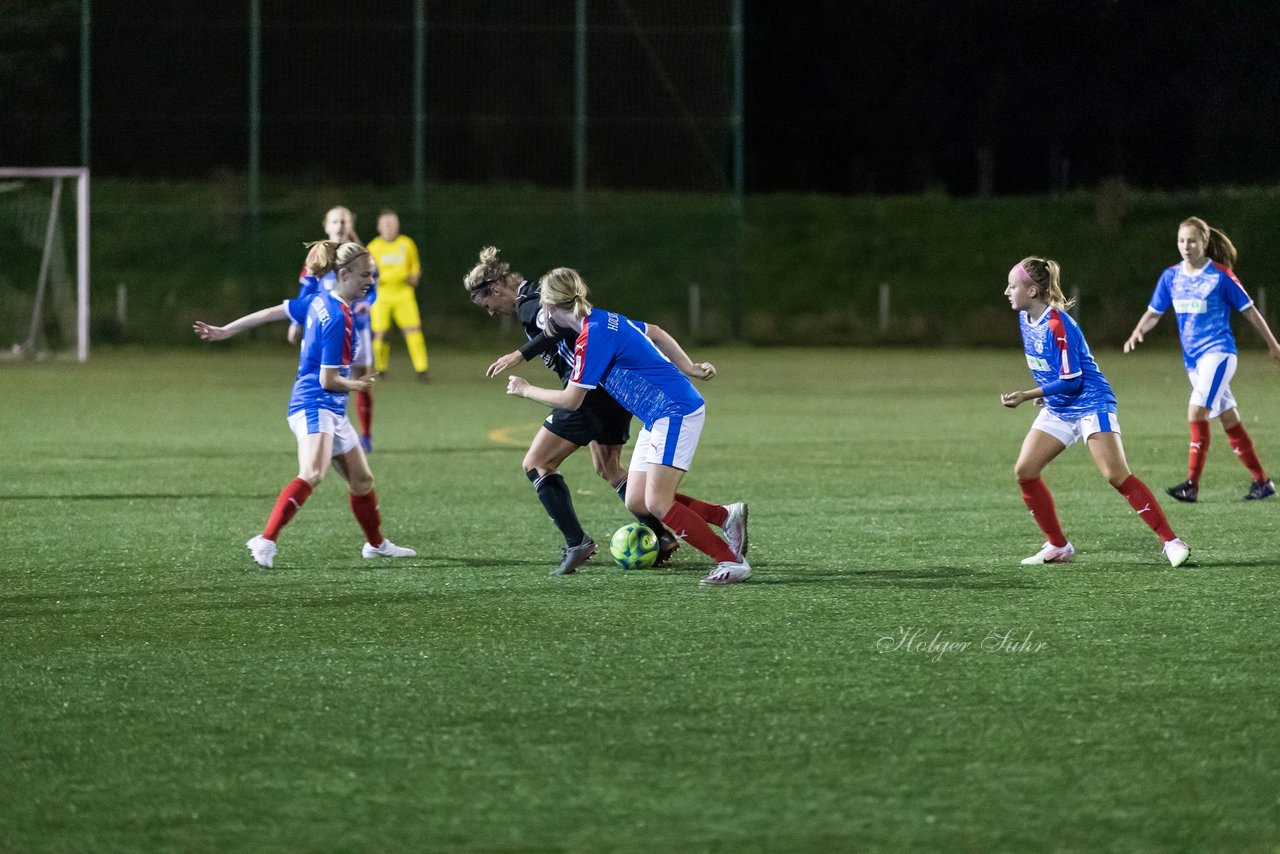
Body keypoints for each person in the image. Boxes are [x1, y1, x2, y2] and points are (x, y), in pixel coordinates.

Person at [504, 266, 752, 585]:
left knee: (658, 503)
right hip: (656, 414)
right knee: (637, 499)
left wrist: (526, 390)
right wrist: (688, 367)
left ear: (549, 308)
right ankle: (724, 515)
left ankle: (730, 561)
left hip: (673, 410)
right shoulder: (603, 319)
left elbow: (571, 400)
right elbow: (657, 331)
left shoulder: (591, 337)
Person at [466, 247, 699, 575]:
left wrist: (520, 354)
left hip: (587, 395)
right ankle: (661, 536)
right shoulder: (539, 291)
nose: (490, 312)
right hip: (611, 392)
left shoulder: (529, 305)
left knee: (537, 462)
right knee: (609, 468)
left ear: (495, 290)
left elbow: (560, 326)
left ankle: (577, 542)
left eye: (487, 305)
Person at [194, 240, 415, 569]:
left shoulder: (318, 299)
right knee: (312, 472)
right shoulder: (339, 319)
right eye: (365, 276)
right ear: (344, 274)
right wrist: (358, 383)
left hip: (331, 408)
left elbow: (274, 312)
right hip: (315, 403)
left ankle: (376, 544)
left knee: (362, 480)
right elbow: (328, 380)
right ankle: (265, 540)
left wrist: (229, 329)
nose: (371, 281)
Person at [1000, 256, 1191, 568]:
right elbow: (1053, 370)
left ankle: (1171, 541)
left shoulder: (1057, 324)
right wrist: (1046, 394)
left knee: (1115, 475)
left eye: (1012, 286)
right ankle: (1059, 546)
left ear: (1032, 291)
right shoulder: (1025, 319)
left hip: (1091, 401)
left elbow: (1072, 378)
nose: (1007, 291)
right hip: (1061, 405)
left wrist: (1026, 395)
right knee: (1025, 471)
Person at [1123, 216, 1280, 502]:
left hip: (1219, 353)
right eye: (1181, 241)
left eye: (1192, 241)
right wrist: (1137, 332)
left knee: (1196, 412)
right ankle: (1262, 482)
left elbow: (1249, 310)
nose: (1186, 246)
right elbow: (1154, 312)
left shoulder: (1220, 275)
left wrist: (1273, 344)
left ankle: (1191, 485)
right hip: (1193, 361)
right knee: (1228, 417)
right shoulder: (1171, 276)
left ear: (1204, 242)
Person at [289, 206, 378, 452]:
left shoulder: (361, 256)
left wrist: (367, 305)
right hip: (326, 328)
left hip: (356, 328)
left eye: (344, 221)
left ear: (352, 225)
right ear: (326, 226)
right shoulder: (319, 257)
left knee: (360, 377)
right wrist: (295, 321)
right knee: (326, 377)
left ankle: (365, 434)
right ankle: (322, 425)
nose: (340, 225)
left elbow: (373, 290)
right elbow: (306, 290)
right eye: (335, 221)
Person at [367, 209, 430, 382]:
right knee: (380, 334)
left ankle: (422, 369)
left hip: (403, 293)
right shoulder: (373, 247)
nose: (389, 226)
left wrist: (415, 276)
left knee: (413, 331)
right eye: (385, 223)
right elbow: (367, 271)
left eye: (392, 222)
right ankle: (380, 369)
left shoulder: (407, 244)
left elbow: (415, 266)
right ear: (379, 227)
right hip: (382, 295)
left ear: (398, 225)